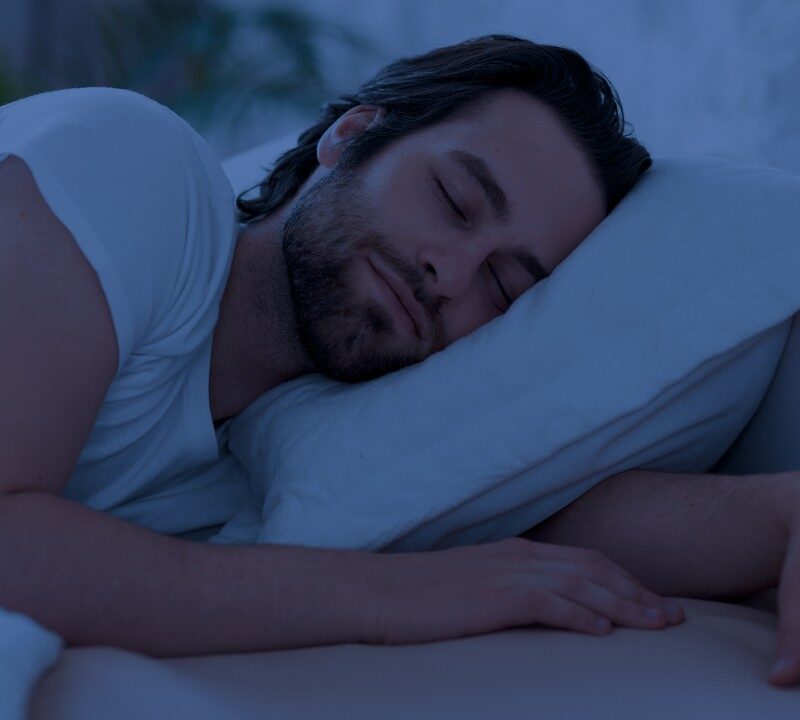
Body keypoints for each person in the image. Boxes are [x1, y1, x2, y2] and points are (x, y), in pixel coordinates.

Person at [0, 34, 793, 686]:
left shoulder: (312, 437)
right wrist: (382, 597)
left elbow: (546, 522)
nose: (449, 275)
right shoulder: (134, 171)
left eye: (504, 284)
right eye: (451, 200)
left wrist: (781, 513)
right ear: (351, 138)